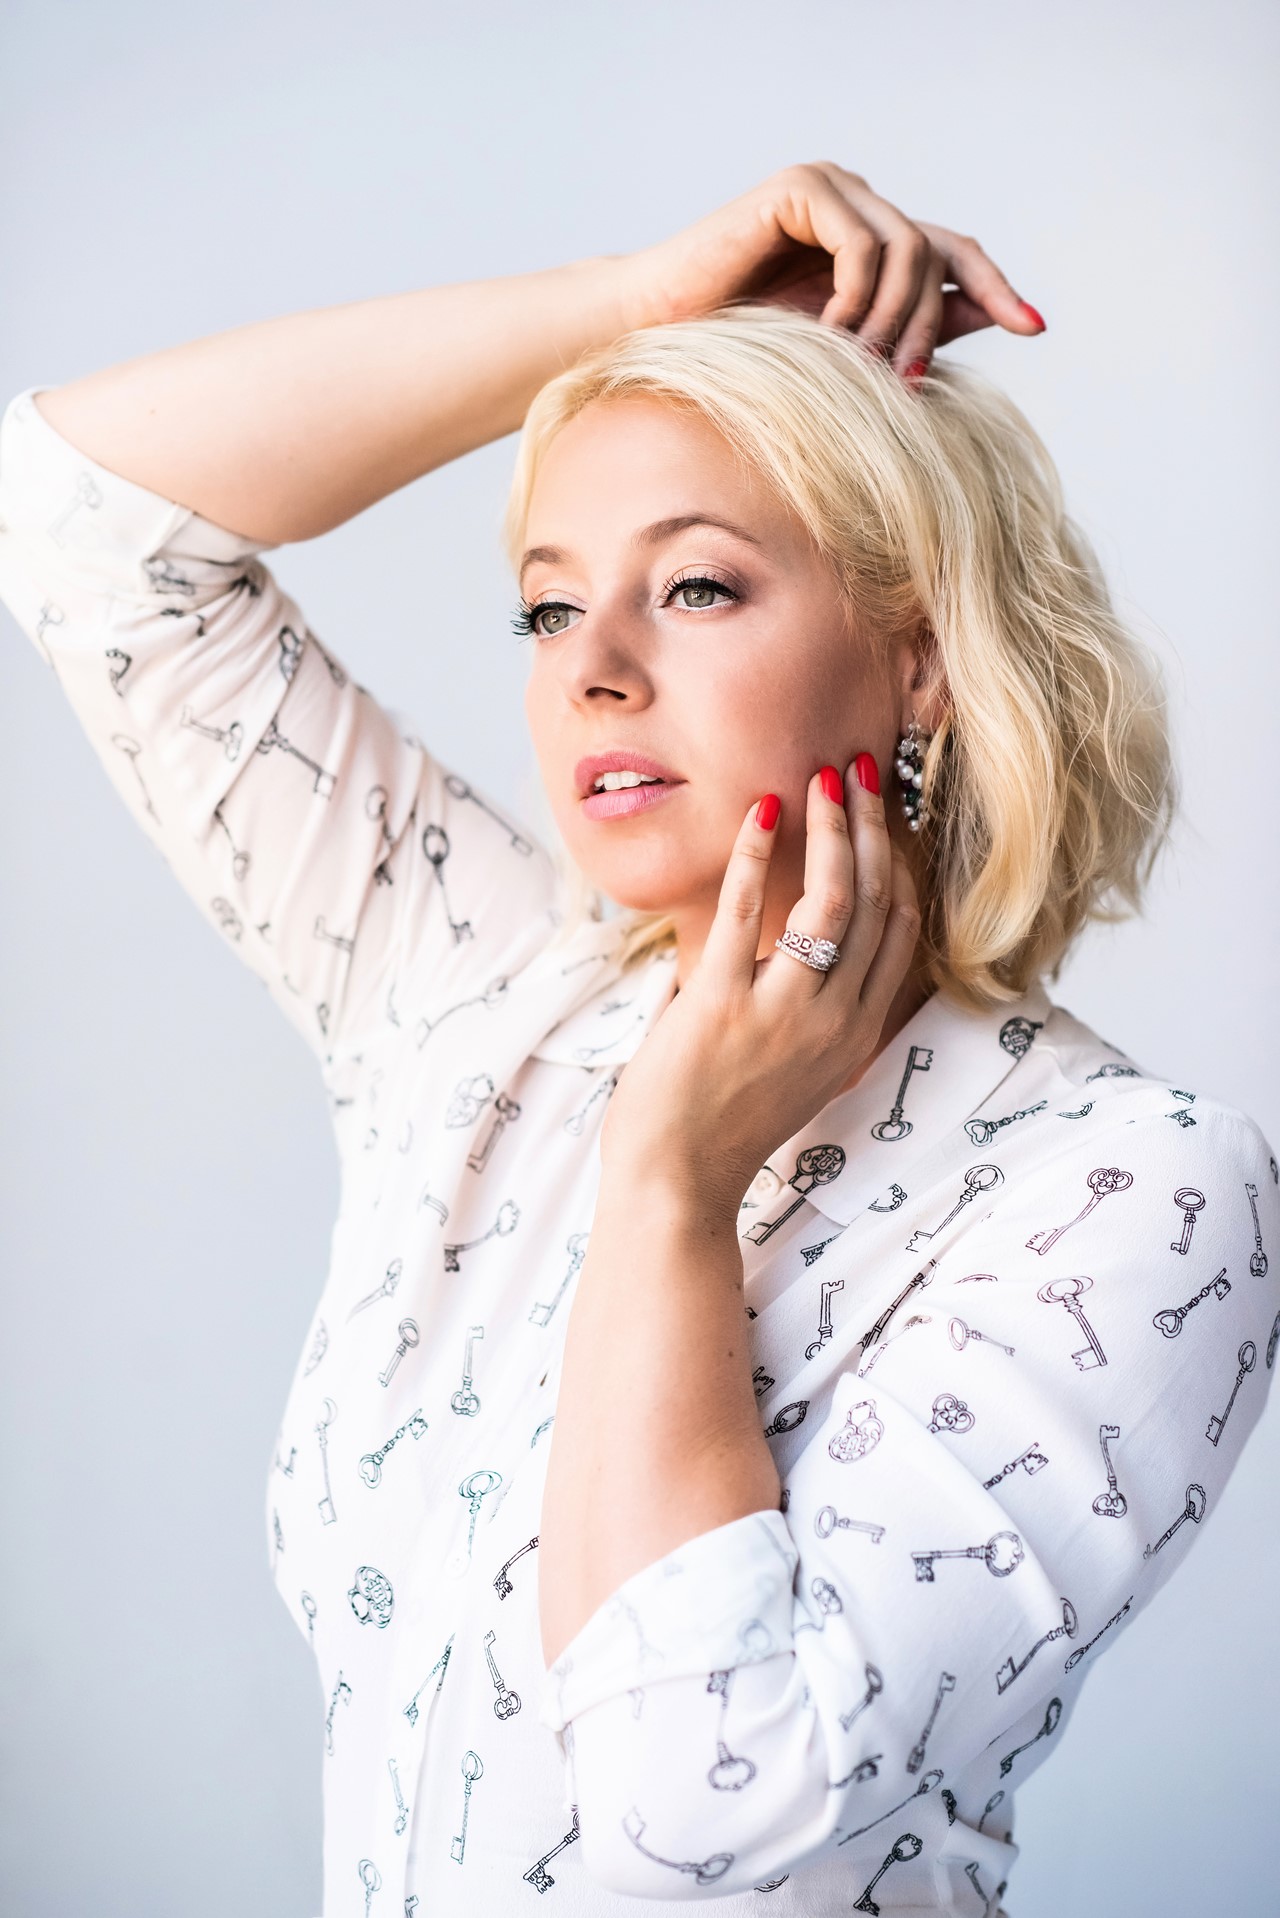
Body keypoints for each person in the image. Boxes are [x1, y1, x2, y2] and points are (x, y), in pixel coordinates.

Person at [1, 162, 1274, 1918]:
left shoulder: (1131, 1190)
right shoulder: (475, 993)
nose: (590, 666)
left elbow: (700, 1809)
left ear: (919, 657)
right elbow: (80, 515)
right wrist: (634, 305)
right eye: (547, 603)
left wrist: (673, 1183)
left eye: (694, 587)